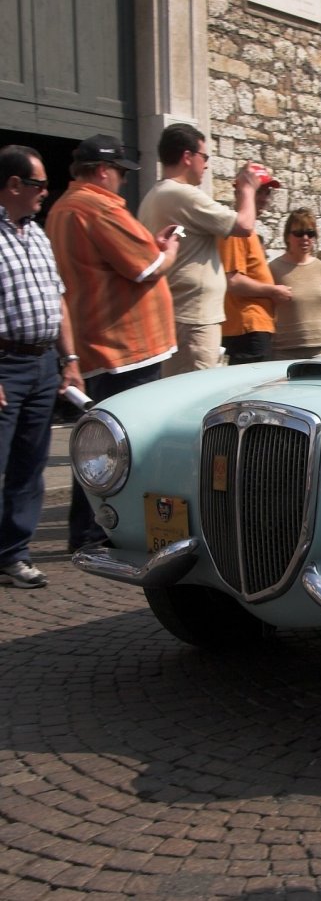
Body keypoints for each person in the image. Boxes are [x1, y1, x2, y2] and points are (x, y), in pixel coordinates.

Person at [45, 134, 182, 551]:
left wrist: (150, 247)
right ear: (103, 171)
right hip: (124, 348)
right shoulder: (99, 207)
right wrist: (169, 249)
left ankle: (87, 530)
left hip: (100, 344)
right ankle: (101, 530)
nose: (122, 182)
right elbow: (147, 268)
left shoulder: (63, 209)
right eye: (120, 173)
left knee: (98, 444)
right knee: (121, 445)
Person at [0, 144, 84, 587]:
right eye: (38, 185)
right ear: (13, 185)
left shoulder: (36, 233)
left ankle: (13, 553)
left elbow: (57, 299)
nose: (45, 193)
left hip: (41, 365)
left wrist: (68, 359)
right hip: (4, 364)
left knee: (30, 466)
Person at [138, 122, 260, 375]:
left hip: (181, 314)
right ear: (187, 156)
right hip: (193, 317)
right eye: (204, 157)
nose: (206, 165)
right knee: (195, 397)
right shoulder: (182, 194)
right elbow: (244, 225)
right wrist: (248, 190)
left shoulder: (155, 194)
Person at [219, 164, 292, 365]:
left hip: (253, 327)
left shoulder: (246, 231)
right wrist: (273, 291)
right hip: (248, 328)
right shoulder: (236, 230)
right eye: (260, 191)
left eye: (267, 193)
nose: (265, 199)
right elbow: (233, 281)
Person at [269, 209, 321, 360]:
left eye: (310, 233)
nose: (305, 238)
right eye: (298, 233)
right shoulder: (274, 269)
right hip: (285, 350)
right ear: (287, 236)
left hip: (320, 349)